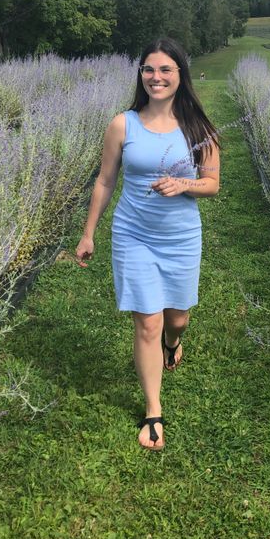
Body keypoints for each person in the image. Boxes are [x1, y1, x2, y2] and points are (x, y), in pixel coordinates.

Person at [75, 38, 220, 451]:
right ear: (141, 75)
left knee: (177, 318)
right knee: (148, 322)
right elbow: (105, 181)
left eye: (165, 70)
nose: (156, 77)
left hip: (180, 238)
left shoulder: (199, 129)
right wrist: (88, 233)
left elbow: (212, 183)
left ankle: (174, 343)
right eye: (149, 70)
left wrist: (184, 184)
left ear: (180, 75)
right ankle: (153, 410)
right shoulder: (123, 124)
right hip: (133, 235)